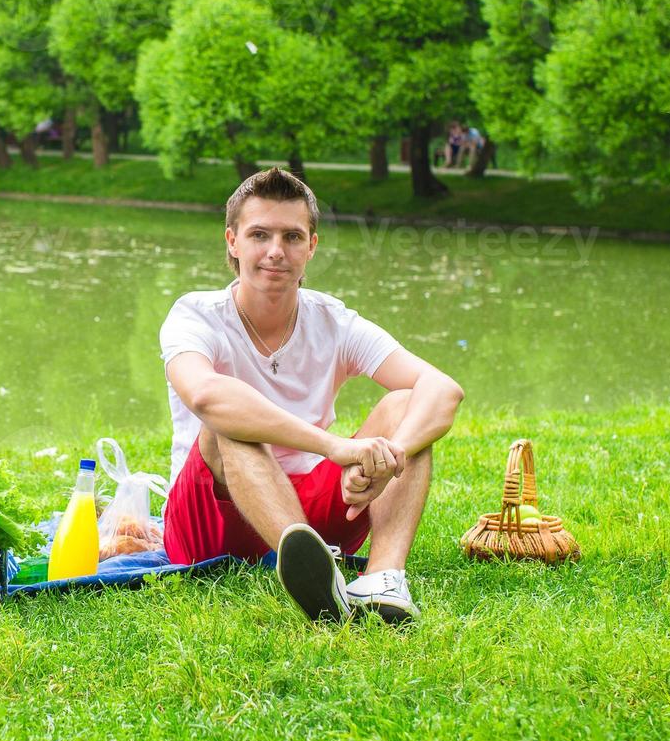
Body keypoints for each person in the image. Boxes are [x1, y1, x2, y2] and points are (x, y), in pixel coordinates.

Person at [158, 168, 463, 625]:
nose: (276, 251)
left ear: (312, 246)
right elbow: (205, 395)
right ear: (232, 241)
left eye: (292, 236)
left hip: (314, 508)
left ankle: (383, 579)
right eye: (259, 234)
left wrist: (389, 459)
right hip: (209, 520)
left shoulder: (335, 322)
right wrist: (335, 447)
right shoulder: (195, 315)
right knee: (228, 421)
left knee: (405, 404)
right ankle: (310, 575)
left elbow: (442, 389)